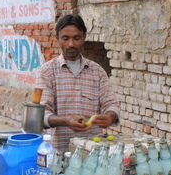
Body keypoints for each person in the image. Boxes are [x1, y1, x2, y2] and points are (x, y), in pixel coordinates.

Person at [36, 14, 120, 152]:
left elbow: (111, 104)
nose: (71, 44)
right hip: (59, 151)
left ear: (84, 38)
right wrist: (66, 121)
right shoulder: (46, 72)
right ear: (57, 38)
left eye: (76, 38)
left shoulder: (97, 71)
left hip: (93, 151)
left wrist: (110, 116)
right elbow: (42, 114)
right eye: (65, 38)